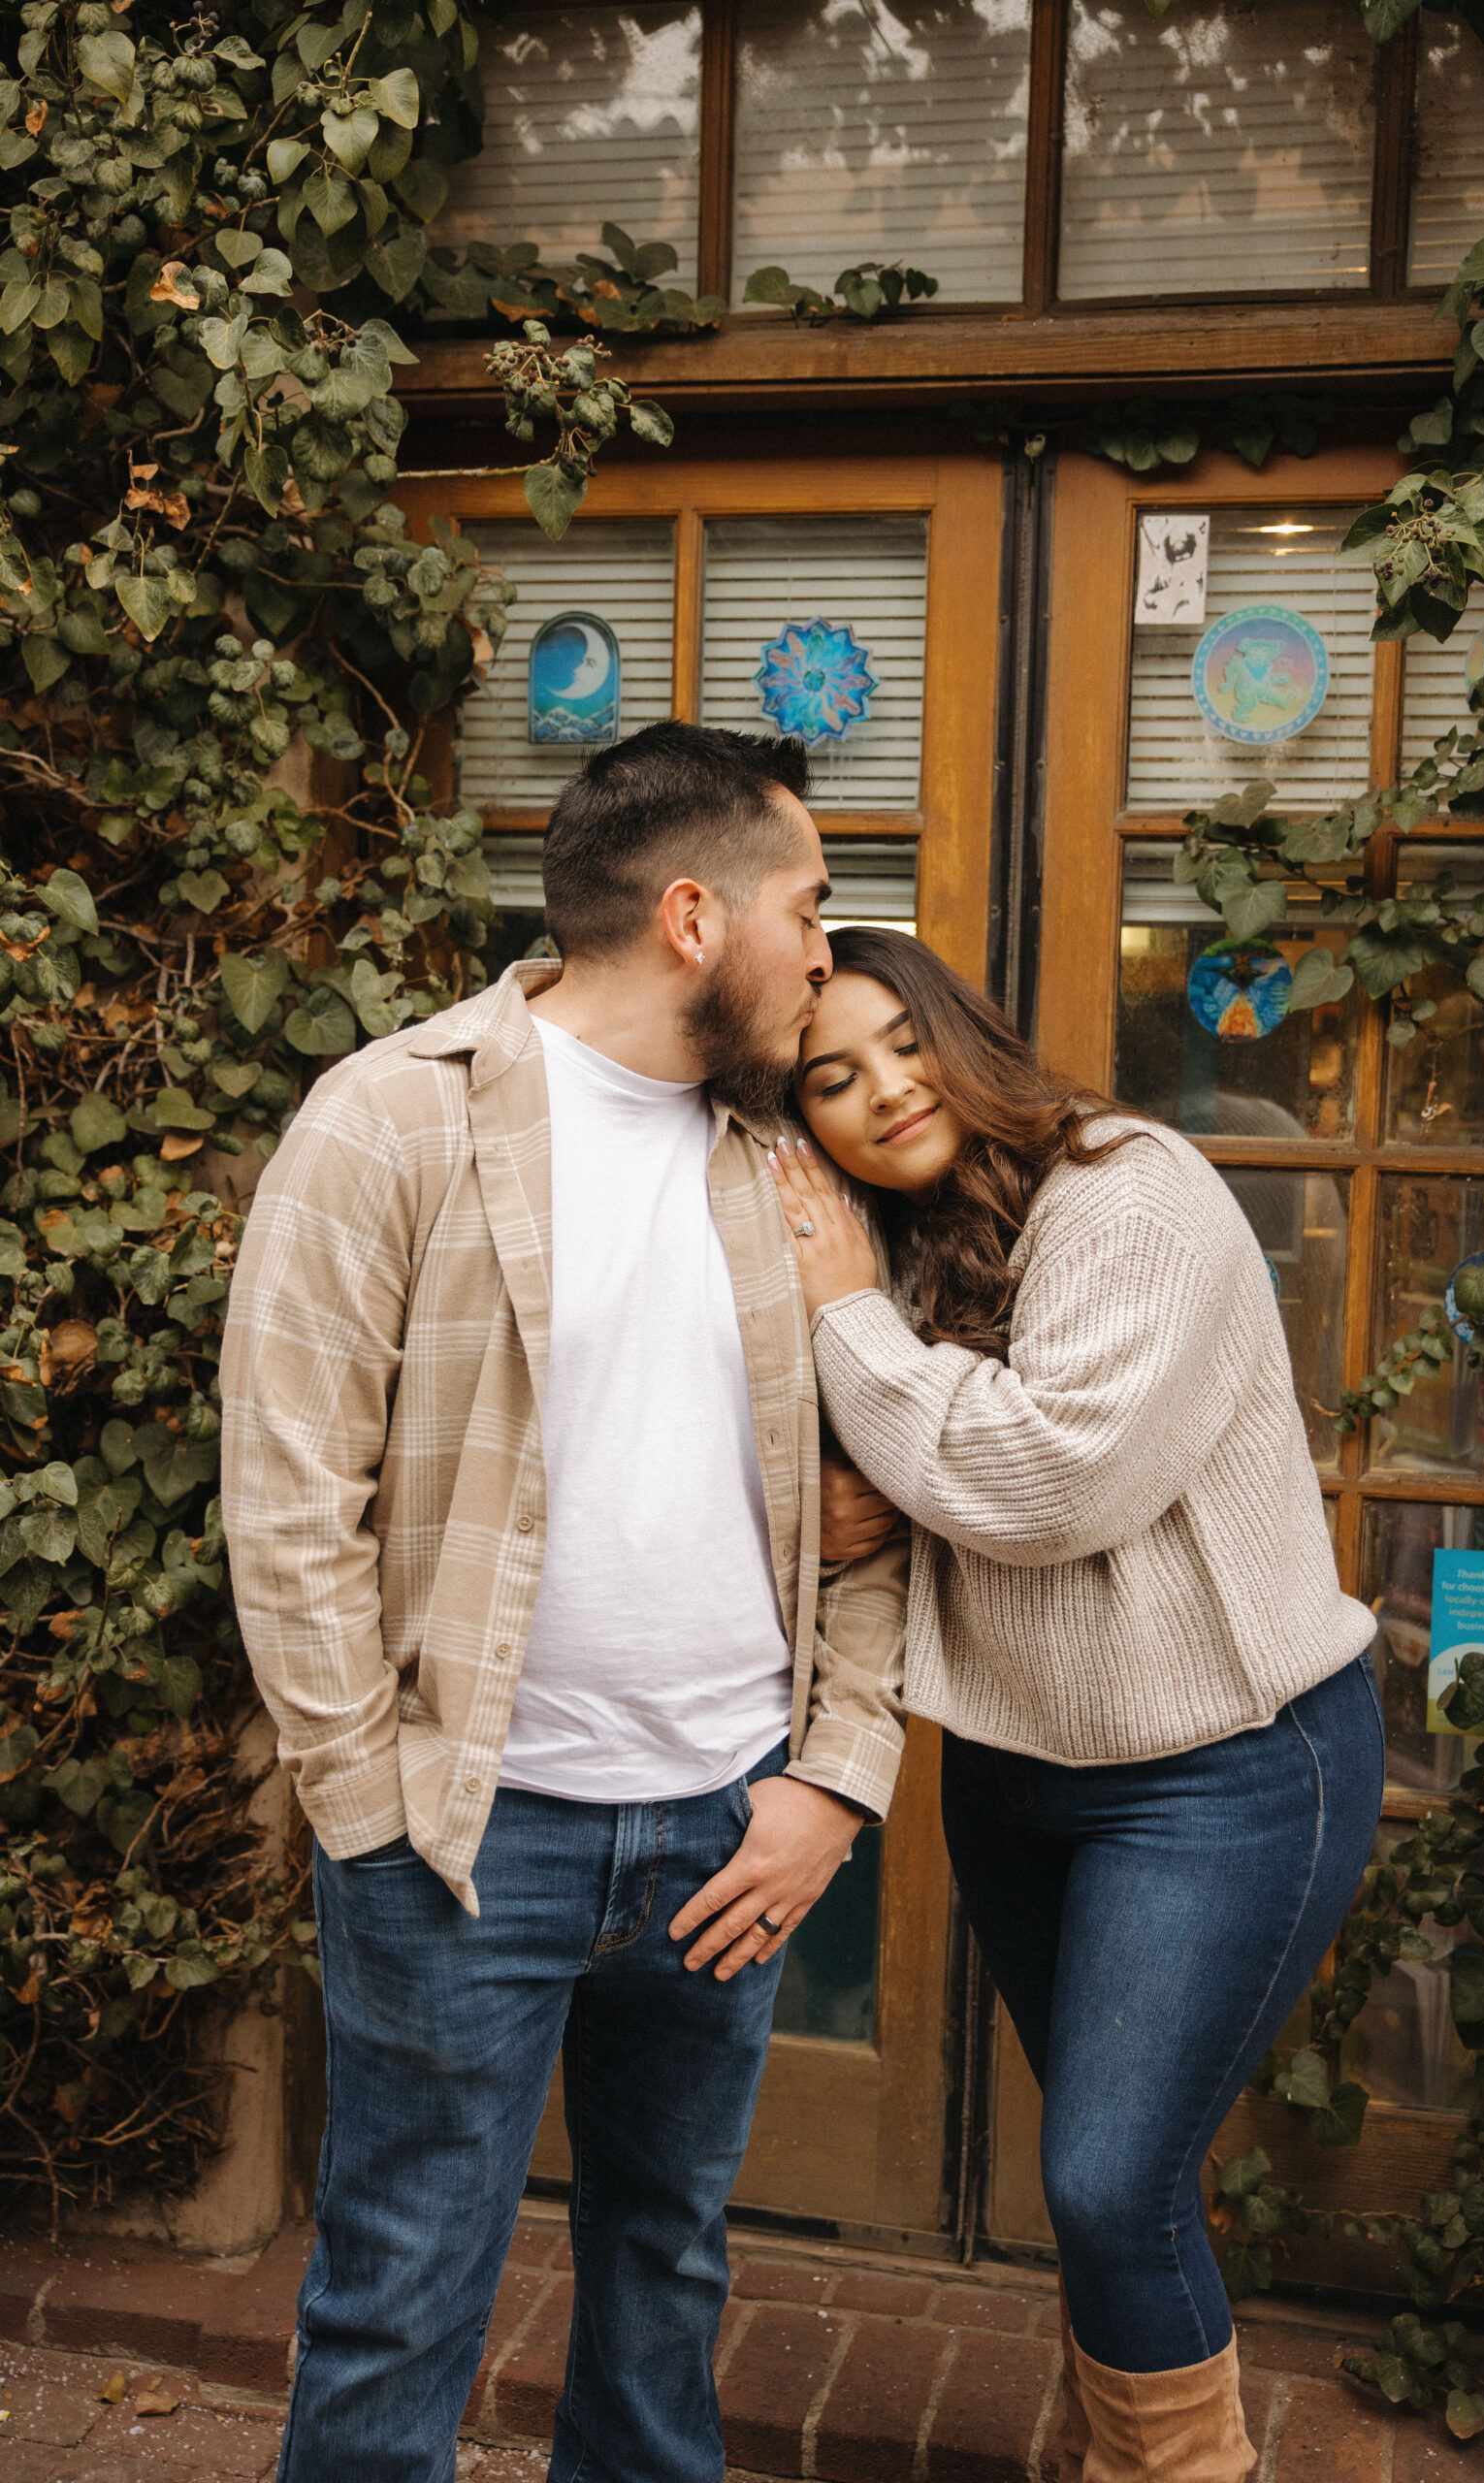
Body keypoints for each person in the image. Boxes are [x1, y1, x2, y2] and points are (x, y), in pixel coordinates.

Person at [219, 724, 909, 2483]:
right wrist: (369, 1816)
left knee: (668, 2275)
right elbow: (289, 1502)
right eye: (809, 905)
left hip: (727, 1835)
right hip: (469, 1838)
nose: (828, 955)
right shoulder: (393, 1120)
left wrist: (832, 1779)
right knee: (400, 2301)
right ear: (695, 915)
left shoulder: (787, 1155)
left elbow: (872, 1507)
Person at [766, 926, 1383, 2483]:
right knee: (1115, 2180)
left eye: (902, 1043)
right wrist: (834, 1490)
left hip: (1228, 1770)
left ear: (964, 1031)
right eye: (830, 1079)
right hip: (1016, 1770)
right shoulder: (897, 1246)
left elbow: (1050, 1478)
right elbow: (884, 1469)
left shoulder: (1130, 1189)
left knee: (1112, 2182)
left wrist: (852, 1338)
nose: (883, 1092)